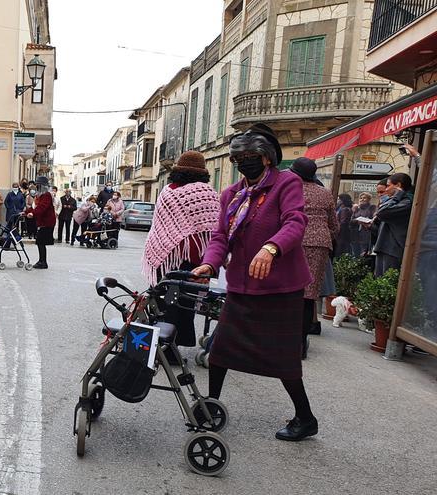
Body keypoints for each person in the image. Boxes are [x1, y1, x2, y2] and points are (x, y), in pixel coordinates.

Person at [192, 124, 318, 442]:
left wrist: (271, 247)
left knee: (283, 358)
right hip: (241, 286)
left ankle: (305, 418)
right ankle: (212, 408)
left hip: (280, 288)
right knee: (220, 350)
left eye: (250, 156)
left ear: (266, 157)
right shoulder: (231, 195)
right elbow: (221, 236)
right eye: (238, 157)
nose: (244, 162)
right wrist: (209, 262)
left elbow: (295, 221)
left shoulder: (285, 183)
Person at [142, 151, 219, 357]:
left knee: (165, 303)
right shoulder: (208, 193)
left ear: (178, 171)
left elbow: (160, 227)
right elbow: (214, 230)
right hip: (194, 262)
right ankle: (175, 347)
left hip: (165, 258)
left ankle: (162, 346)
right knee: (186, 304)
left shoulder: (167, 192)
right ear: (203, 173)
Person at [290, 158, 338, 355]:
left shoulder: (289, 190)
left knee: (287, 290)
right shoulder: (325, 194)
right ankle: (300, 345)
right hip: (318, 245)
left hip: (291, 240)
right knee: (308, 295)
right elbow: (334, 226)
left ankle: (282, 339)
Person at [373, 172, 413, 277]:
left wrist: (396, 196)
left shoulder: (406, 202)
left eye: (389, 185)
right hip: (384, 246)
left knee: (387, 280)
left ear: (398, 186)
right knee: (379, 282)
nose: (386, 189)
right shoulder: (397, 201)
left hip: (393, 248)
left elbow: (382, 212)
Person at [26, 176, 55, 269]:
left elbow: (42, 208)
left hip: (47, 222)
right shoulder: (39, 196)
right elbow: (35, 207)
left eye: (38, 185)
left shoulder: (46, 195)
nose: (36, 187)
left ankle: (43, 262)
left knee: (41, 242)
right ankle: (41, 260)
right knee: (40, 242)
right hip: (42, 222)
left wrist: (32, 214)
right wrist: (26, 212)